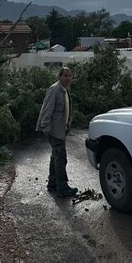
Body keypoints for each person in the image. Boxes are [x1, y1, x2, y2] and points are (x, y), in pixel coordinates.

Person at [36, 67, 78, 197]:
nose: (68, 78)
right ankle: (62, 187)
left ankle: (53, 183)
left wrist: (68, 125)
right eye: (65, 75)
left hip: (61, 129)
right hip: (54, 130)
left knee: (56, 156)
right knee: (61, 158)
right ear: (59, 77)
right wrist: (46, 127)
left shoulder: (64, 91)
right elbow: (46, 109)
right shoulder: (54, 89)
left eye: (70, 76)